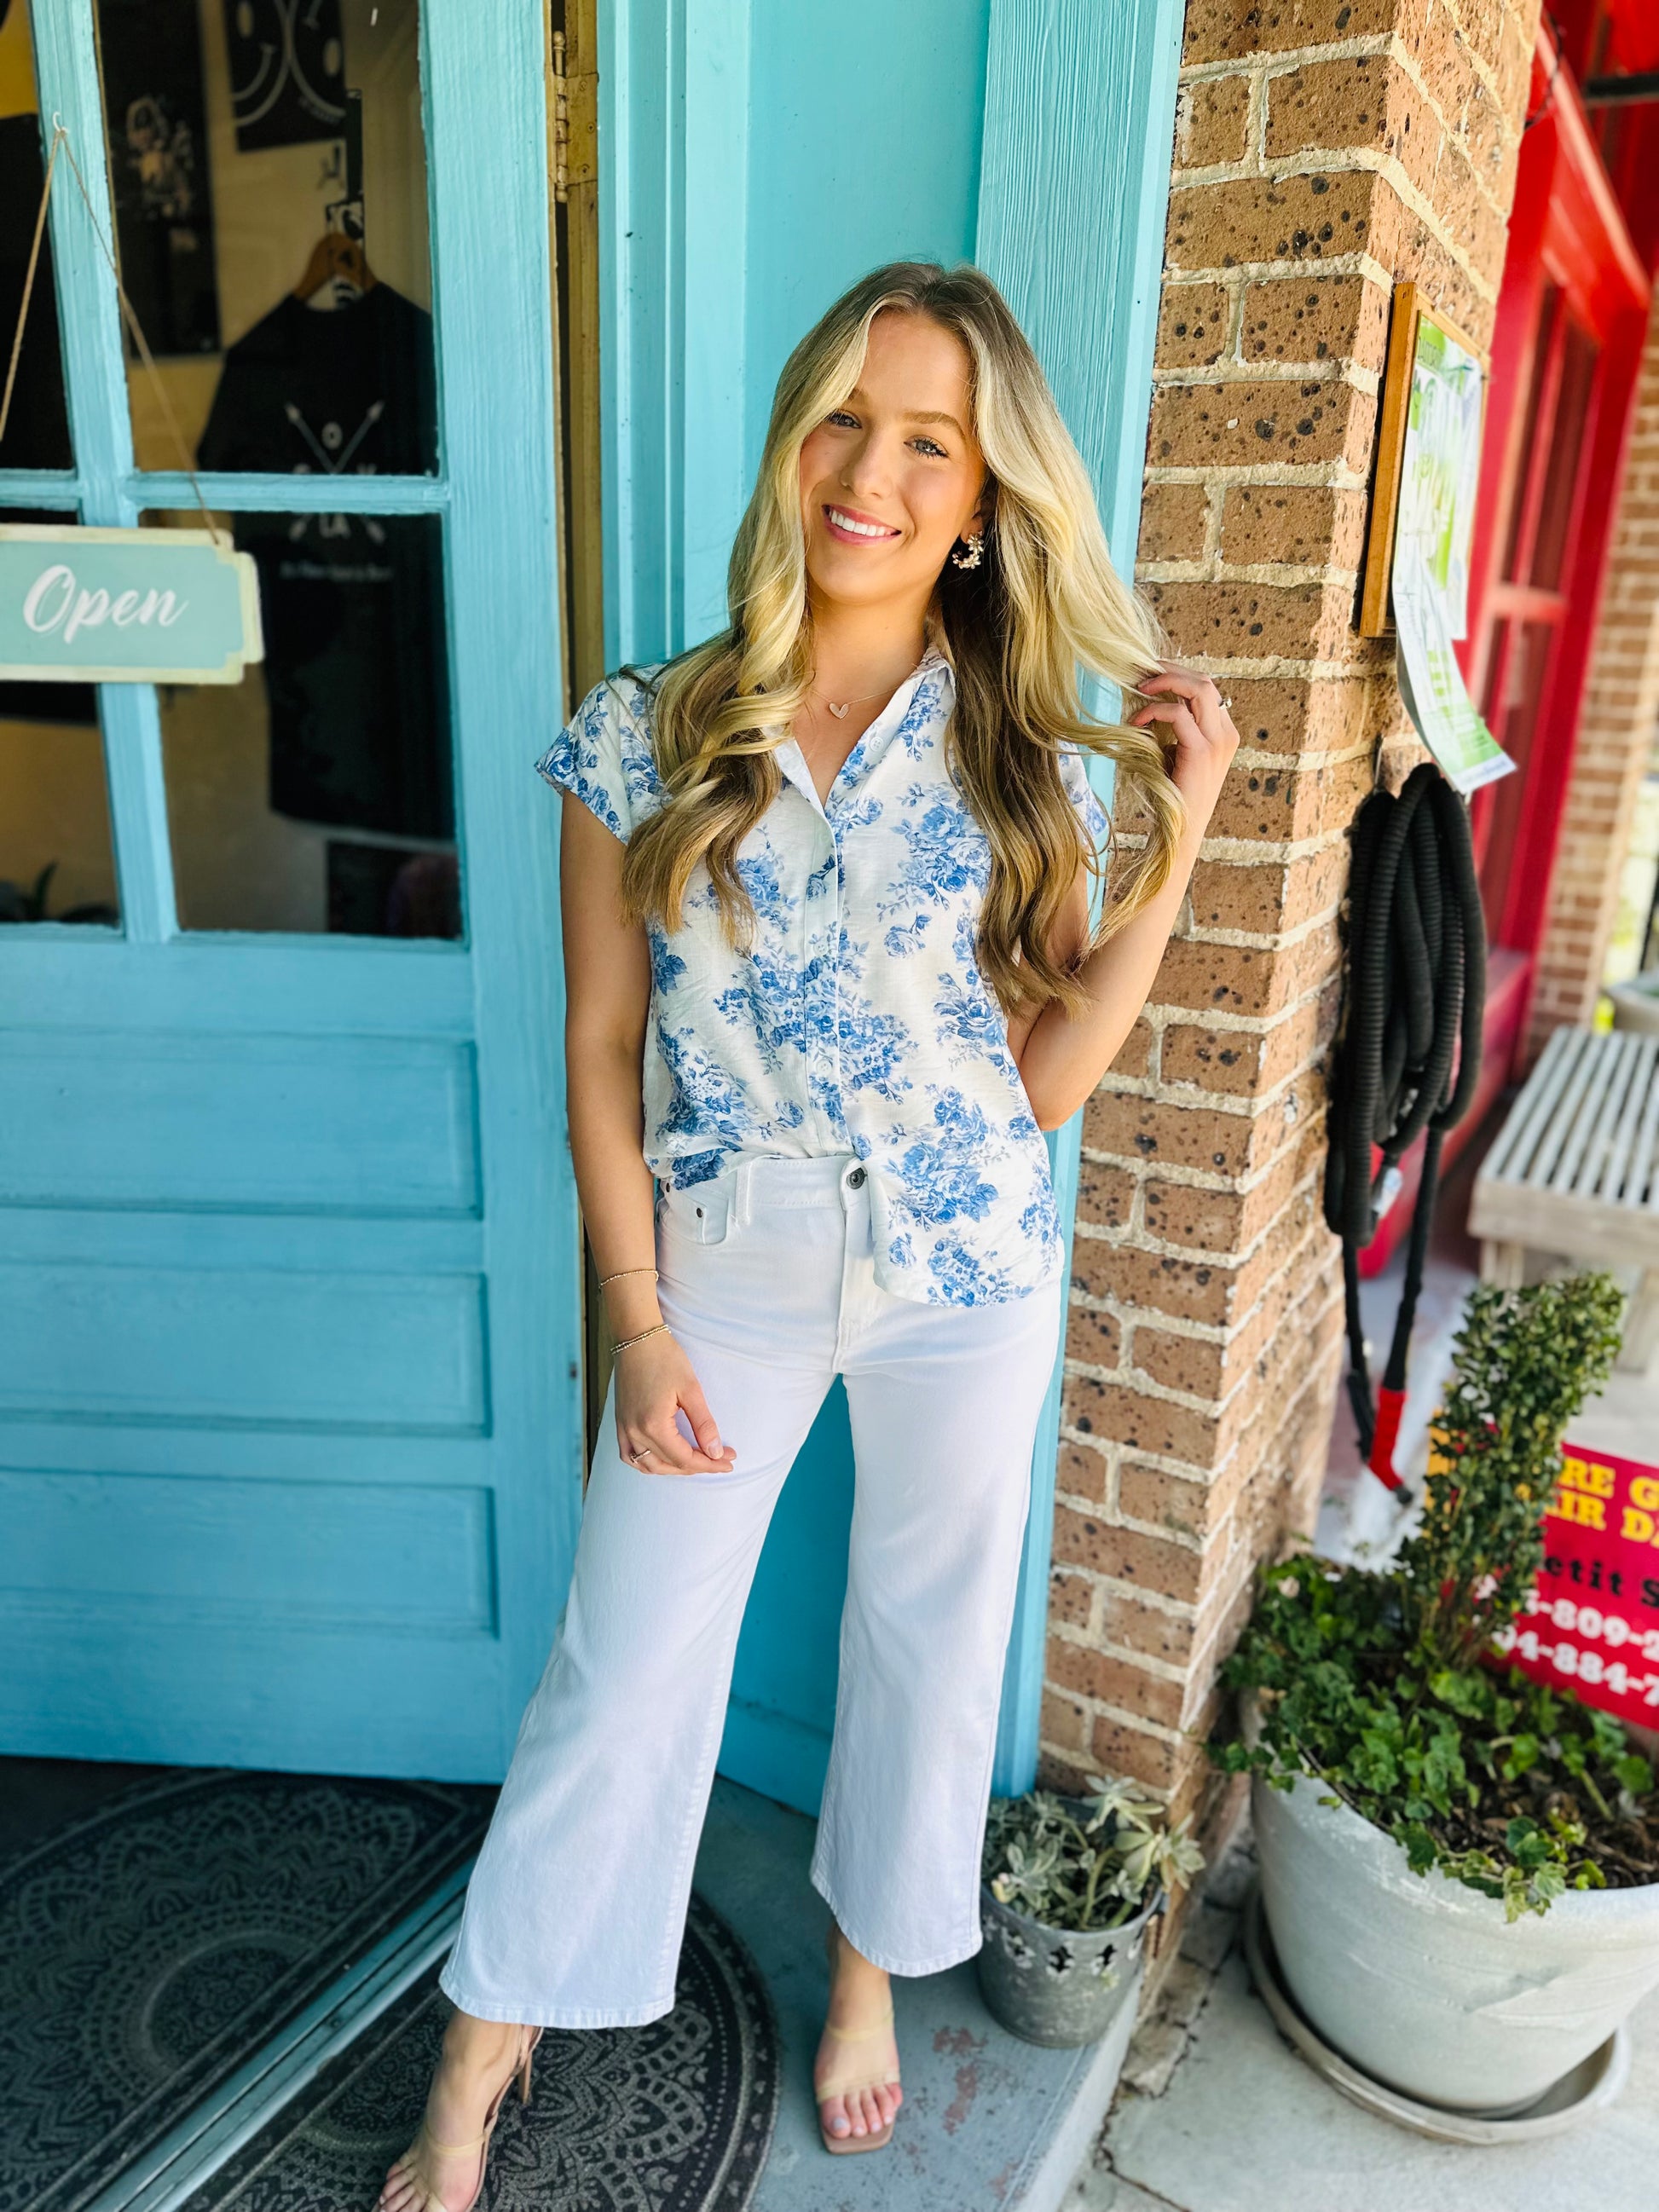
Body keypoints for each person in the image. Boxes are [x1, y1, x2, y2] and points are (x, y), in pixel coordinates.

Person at [379, 259, 1237, 2210]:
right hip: (728, 1258)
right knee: (621, 1660)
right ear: (792, 440)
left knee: (927, 1642)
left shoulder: (1021, 757)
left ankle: (862, 1977)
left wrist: (1176, 848)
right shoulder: (646, 728)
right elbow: (599, 1048)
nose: (872, 472)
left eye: (929, 440)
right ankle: (480, 2049)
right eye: (844, 417)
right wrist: (638, 1323)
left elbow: (1037, 1080)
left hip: (964, 1263)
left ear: (983, 499)